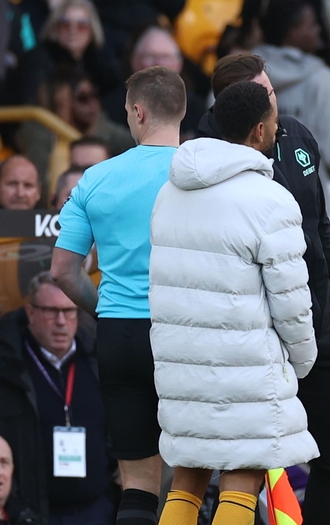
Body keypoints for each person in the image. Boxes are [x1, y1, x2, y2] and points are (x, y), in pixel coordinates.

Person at [198, 53, 330, 525]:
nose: (274, 102)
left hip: (319, 323)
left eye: (272, 91)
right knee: (246, 468)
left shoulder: (296, 136)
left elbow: (320, 224)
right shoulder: (204, 157)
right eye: (264, 95)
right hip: (255, 338)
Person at [150, 79, 317, 525]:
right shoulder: (270, 199)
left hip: (180, 365)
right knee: (242, 477)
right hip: (245, 368)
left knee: (187, 477)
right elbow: (293, 302)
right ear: (260, 132)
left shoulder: (169, 193)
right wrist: (303, 360)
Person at [50, 65, 186, 525]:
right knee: (193, 477)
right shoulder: (204, 175)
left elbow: (64, 271)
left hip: (119, 334)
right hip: (185, 332)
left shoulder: (94, 178)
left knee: (137, 486)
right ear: (182, 112)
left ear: (139, 112)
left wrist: (104, 308)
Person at [0, 272, 114, 524]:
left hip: (97, 510)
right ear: (30, 313)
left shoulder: (98, 360)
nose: (61, 321)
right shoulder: (9, 368)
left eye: (69, 311)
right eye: (51, 311)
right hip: (32, 514)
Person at [254, 0, 330, 188]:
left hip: (250, 196)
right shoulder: (321, 79)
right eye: (311, 25)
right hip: (309, 199)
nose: (319, 30)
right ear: (291, 31)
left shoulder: (238, 74)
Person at [101, 25, 207, 141]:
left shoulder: (195, 105)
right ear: (135, 60)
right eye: (151, 56)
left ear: (179, 63)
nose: (158, 63)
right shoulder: (115, 103)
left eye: (166, 57)